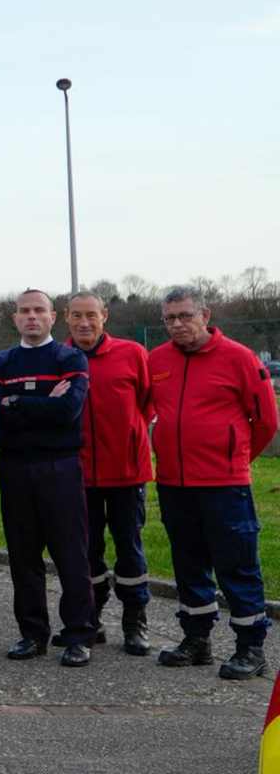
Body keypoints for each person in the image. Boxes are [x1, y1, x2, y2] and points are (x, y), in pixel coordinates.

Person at [146, 287, 278, 680]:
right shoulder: (157, 360)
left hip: (224, 484)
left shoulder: (239, 358)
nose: (177, 324)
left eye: (184, 316)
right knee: (188, 563)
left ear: (205, 315)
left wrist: (233, 458)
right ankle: (196, 639)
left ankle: (250, 647)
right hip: (174, 482)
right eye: (169, 318)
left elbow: (266, 422)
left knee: (236, 564)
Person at [0, 289, 96, 668]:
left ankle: (80, 634)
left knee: (71, 555)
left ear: (53, 317)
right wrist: (43, 403)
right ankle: (32, 634)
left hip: (60, 467)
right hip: (15, 468)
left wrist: (17, 402)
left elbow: (69, 410)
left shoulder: (70, 357)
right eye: (23, 311)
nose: (31, 316)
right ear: (14, 318)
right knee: (23, 556)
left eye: (39, 310)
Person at [65, 290, 154, 656]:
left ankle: (135, 622)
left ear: (105, 317)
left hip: (127, 473)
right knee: (88, 551)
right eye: (76, 316)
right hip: (78, 475)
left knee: (130, 550)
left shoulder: (132, 354)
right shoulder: (61, 358)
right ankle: (92, 618)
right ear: (65, 318)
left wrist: (130, 439)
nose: (84, 323)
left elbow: (147, 403)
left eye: (91, 315)